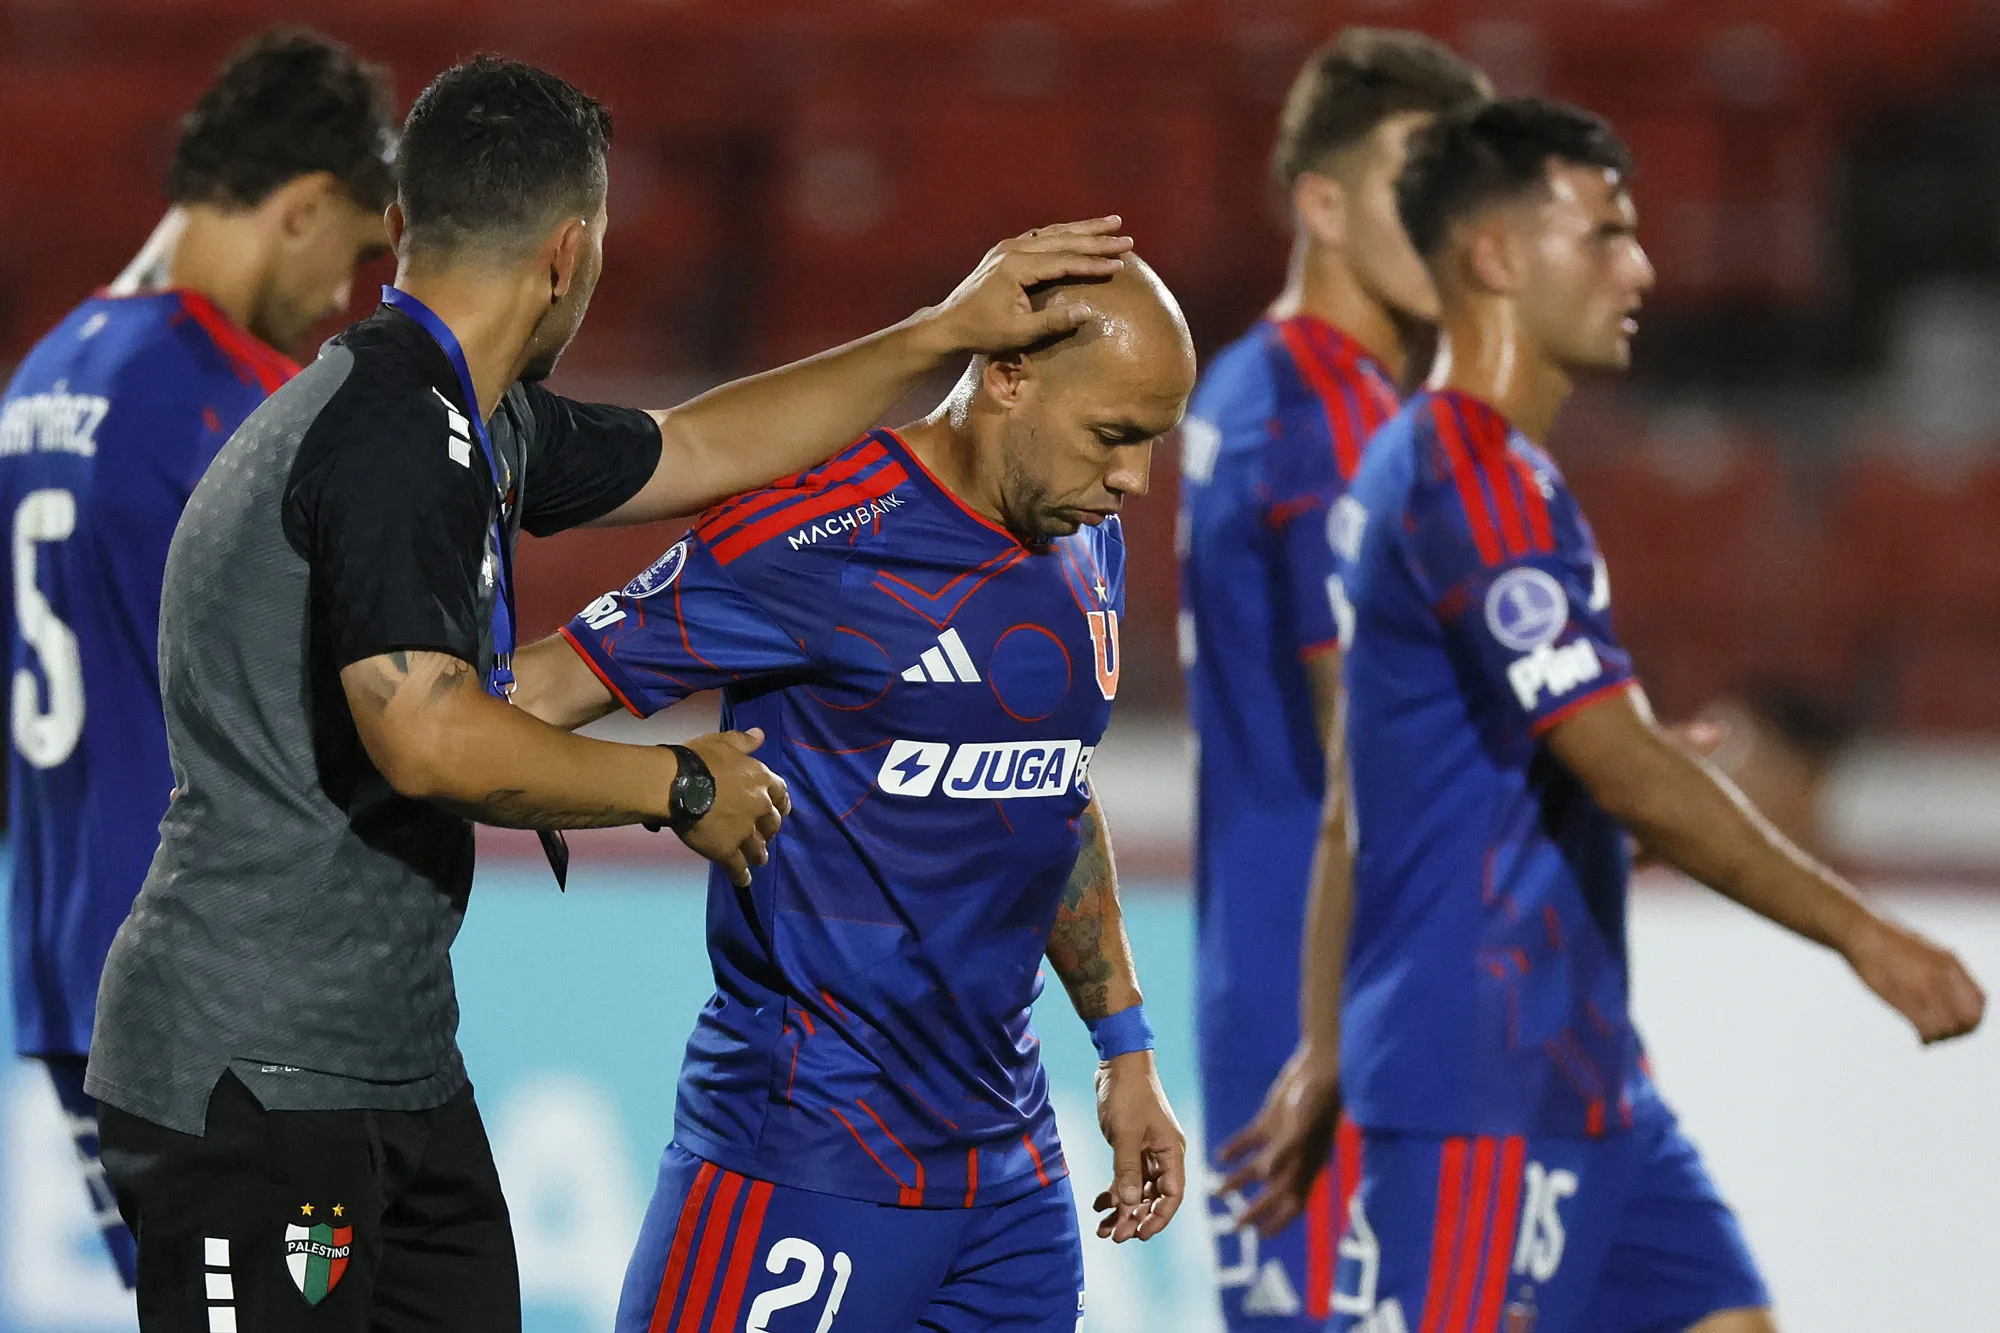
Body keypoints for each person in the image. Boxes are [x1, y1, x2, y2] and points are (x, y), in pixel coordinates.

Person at [83, 53, 1133, 1333]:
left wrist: (938, 335)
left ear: (404, 229)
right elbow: (424, 733)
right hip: (254, 1070)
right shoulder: (393, 441)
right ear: (572, 254)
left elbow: (698, 445)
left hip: (388, 1060)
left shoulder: (472, 421)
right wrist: (673, 780)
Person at [1221, 98, 1986, 1333]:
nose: (1641, 265)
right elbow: (1620, 769)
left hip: (1582, 1072)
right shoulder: (1467, 480)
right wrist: (1864, 934)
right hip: (1473, 1073)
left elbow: (1366, 804)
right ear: (1495, 258)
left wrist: (1321, 1046)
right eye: (1605, 234)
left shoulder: (1481, 470)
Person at [510, 258, 1196, 1332]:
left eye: (1153, 440)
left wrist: (1126, 1050)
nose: (1136, 481)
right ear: (1006, 375)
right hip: (806, 1152)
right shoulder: (818, 539)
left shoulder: (1084, 541)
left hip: (1006, 1186)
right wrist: (662, 786)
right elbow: (531, 695)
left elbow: (1050, 790)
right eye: (1113, 434)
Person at [0, 26, 396, 1288]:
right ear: (304, 207)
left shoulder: (46, 374)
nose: (349, 292)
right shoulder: (225, 404)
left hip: (70, 975)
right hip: (212, 997)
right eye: (357, 250)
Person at [1177, 28, 1489, 1327]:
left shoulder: (1252, 384)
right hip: (1351, 1003)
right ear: (1321, 199)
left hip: (1266, 968)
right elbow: (1374, 746)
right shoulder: (1329, 421)